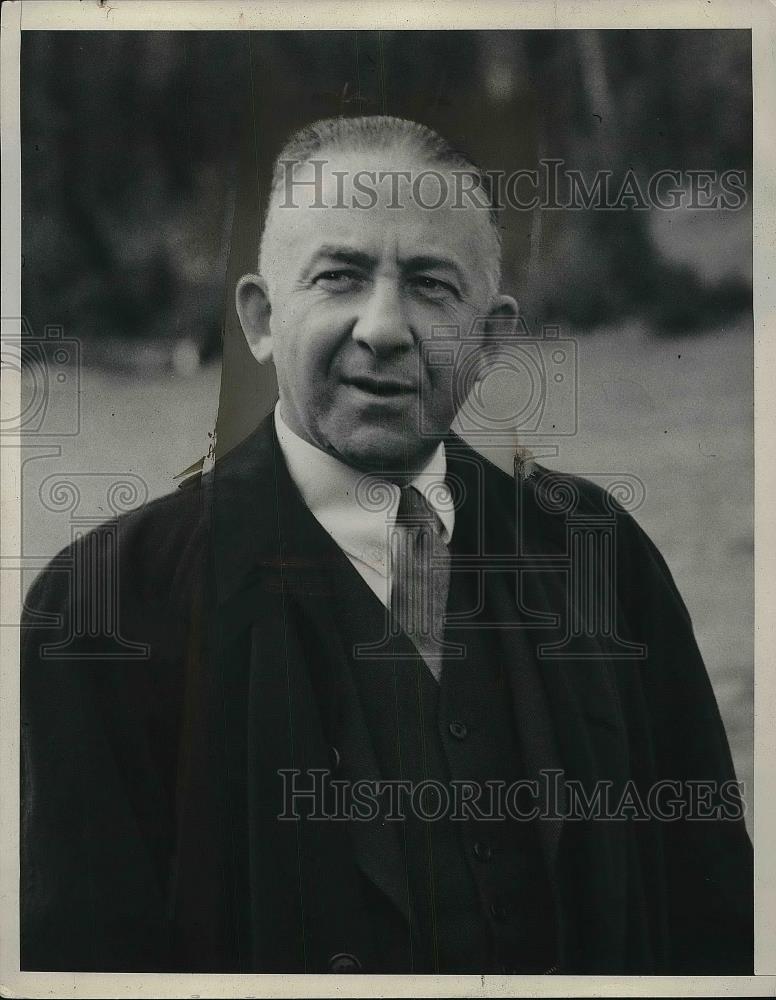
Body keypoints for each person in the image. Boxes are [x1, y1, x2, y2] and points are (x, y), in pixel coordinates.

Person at [20, 115, 753, 975]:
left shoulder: (595, 554)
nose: (383, 327)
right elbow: (89, 965)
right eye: (340, 276)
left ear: (490, 339)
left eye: (433, 286)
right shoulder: (109, 604)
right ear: (259, 317)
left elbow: (714, 914)